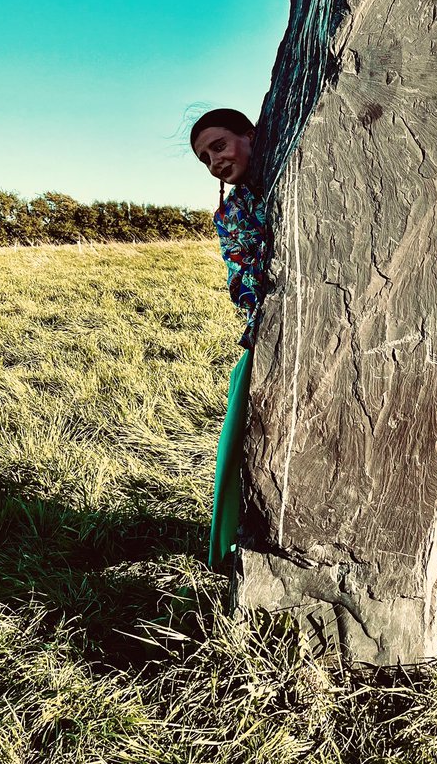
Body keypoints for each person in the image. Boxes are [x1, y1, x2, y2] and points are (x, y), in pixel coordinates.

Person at [190, 108, 266, 570]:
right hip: (268, 332)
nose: (214, 161)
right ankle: (234, 545)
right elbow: (240, 280)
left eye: (219, 145)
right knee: (241, 440)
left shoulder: (298, 175)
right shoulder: (231, 212)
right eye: (204, 158)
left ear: (250, 135)